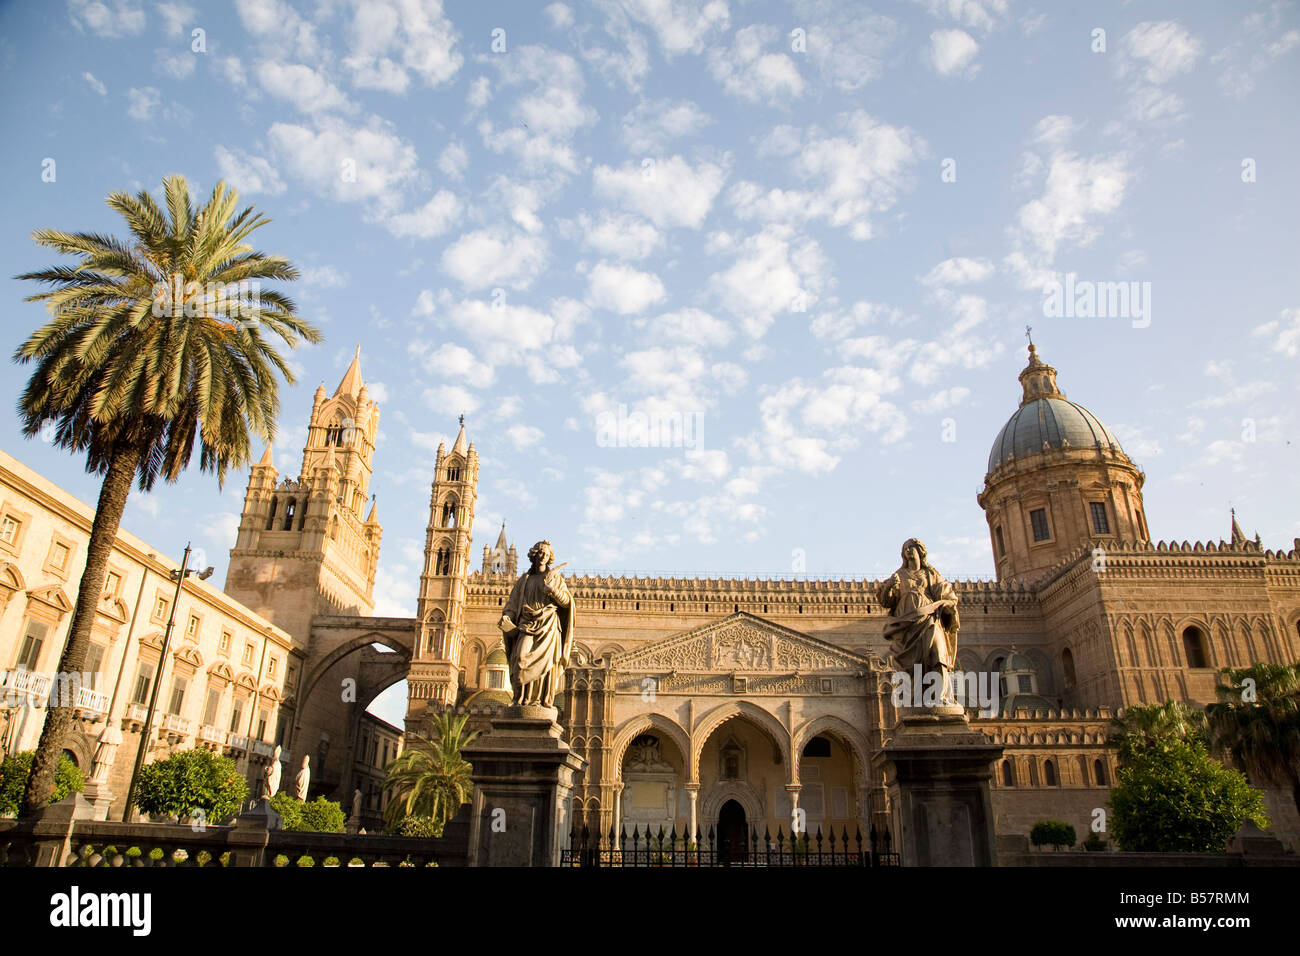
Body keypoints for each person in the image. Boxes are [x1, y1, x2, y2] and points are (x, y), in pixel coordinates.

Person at [878, 538, 961, 704]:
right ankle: (918, 697)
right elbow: (886, 601)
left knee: (938, 654)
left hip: (930, 619)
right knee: (914, 664)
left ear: (920, 551)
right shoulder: (899, 575)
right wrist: (888, 587)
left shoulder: (931, 574)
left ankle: (941, 696)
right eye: (905, 549)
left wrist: (948, 604)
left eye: (911, 548)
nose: (908, 551)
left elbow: (946, 596)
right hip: (907, 625)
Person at [499, 540, 574, 708]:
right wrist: (507, 617)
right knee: (520, 658)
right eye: (540, 553)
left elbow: (567, 602)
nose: (542, 557)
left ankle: (539, 701)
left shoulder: (555, 578)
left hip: (547, 626)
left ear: (550, 558)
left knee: (546, 668)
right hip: (527, 624)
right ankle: (521, 699)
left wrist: (552, 591)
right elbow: (513, 603)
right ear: (534, 555)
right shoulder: (524, 580)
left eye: (546, 554)